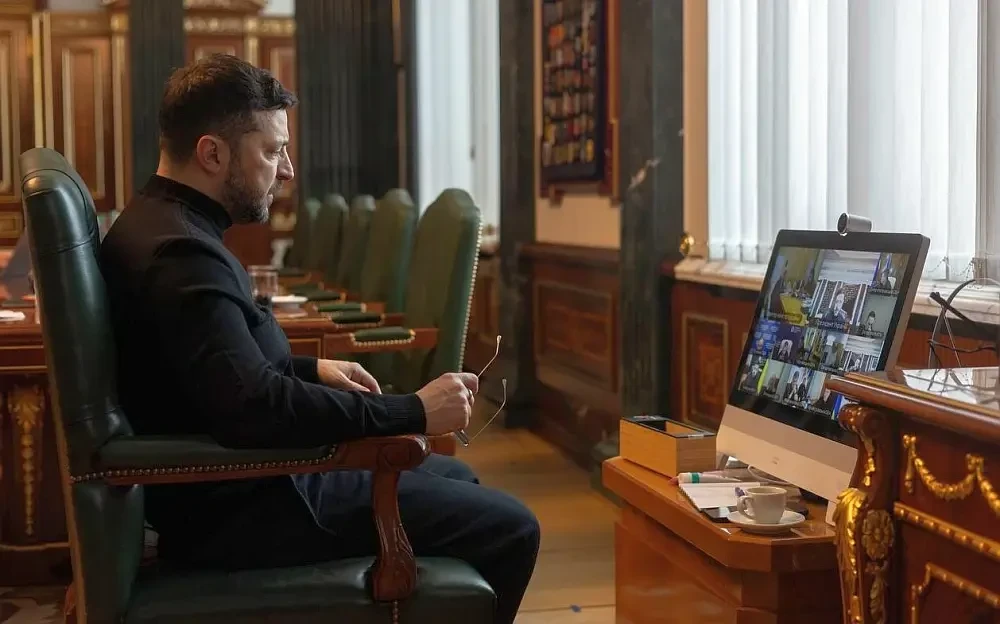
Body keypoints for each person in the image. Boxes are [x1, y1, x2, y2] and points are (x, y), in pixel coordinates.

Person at [98, 54, 539, 624]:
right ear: (212, 154)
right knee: (514, 528)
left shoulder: (163, 222)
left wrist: (312, 369)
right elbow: (253, 406)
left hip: (243, 477)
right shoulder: (182, 253)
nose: (287, 170)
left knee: (454, 476)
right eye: (272, 150)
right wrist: (412, 411)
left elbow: (215, 369)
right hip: (249, 500)